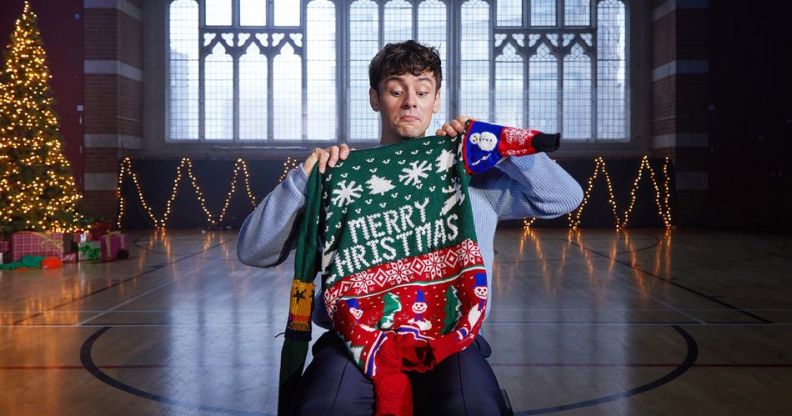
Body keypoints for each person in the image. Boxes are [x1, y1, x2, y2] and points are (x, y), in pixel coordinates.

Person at [238, 40, 584, 415]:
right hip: (353, 339)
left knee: (475, 407)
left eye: (422, 90)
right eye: (395, 90)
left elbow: (564, 196)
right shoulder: (343, 179)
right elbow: (255, 251)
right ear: (375, 98)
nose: (410, 102)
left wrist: (494, 143)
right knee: (324, 406)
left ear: (436, 100)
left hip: (452, 337)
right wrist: (304, 179)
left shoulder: (468, 179)